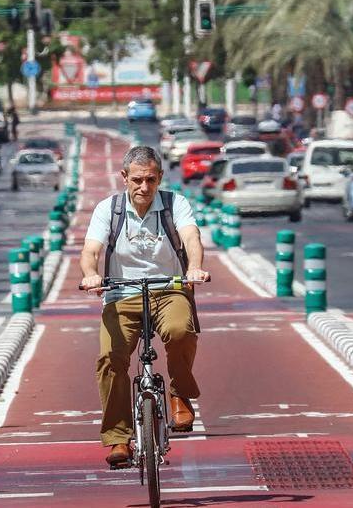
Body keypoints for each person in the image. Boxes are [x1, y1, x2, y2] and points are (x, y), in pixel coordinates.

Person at [79, 146, 210, 469]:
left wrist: (194, 267)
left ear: (160, 177)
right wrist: (91, 275)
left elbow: (191, 238)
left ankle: (179, 392)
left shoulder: (174, 204)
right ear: (124, 178)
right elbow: (91, 250)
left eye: (151, 180)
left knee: (181, 330)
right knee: (111, 358)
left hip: (169, 289)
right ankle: (117, 438)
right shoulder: (108, 210)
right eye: (137, 180)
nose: (144, 187)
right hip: (121, 294)